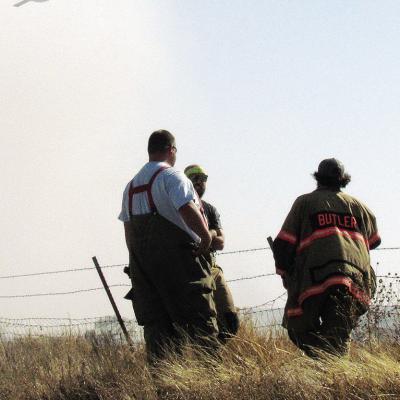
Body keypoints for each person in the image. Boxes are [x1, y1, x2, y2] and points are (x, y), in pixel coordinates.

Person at [119, 130, 219, 363]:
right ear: (171, 150)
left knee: (159, 336)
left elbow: (129, 231)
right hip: (181, 267)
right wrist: (205, 239)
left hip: (145, 272)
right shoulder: (172, 176)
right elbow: (187, 208)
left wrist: (138, 262)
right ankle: (211, 383)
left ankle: (165, 386)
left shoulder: (130, 187)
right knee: (200, 326)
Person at [272, 158, 381, 357]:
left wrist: (287, 273)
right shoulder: (360, 207)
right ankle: (336, 370)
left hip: (314, 278)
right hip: (354, 281)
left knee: (297, 328)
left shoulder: (305, 202)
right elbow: (374, 241)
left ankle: (327, 363)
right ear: (342, 179)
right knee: (339, 334)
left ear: (318, 178)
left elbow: (283, 244)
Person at [184, 164, 239, 342]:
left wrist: (211, 234)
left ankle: (214, 356)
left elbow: (221, 243)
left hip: (212, 269)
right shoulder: (180, 208)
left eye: (203, 178)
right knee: (203, 323)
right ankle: (206, 362)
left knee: (230, 321)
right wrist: (210, 235)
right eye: (194, 178)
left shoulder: (210, 209)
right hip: (191, 270)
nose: (200, 182)